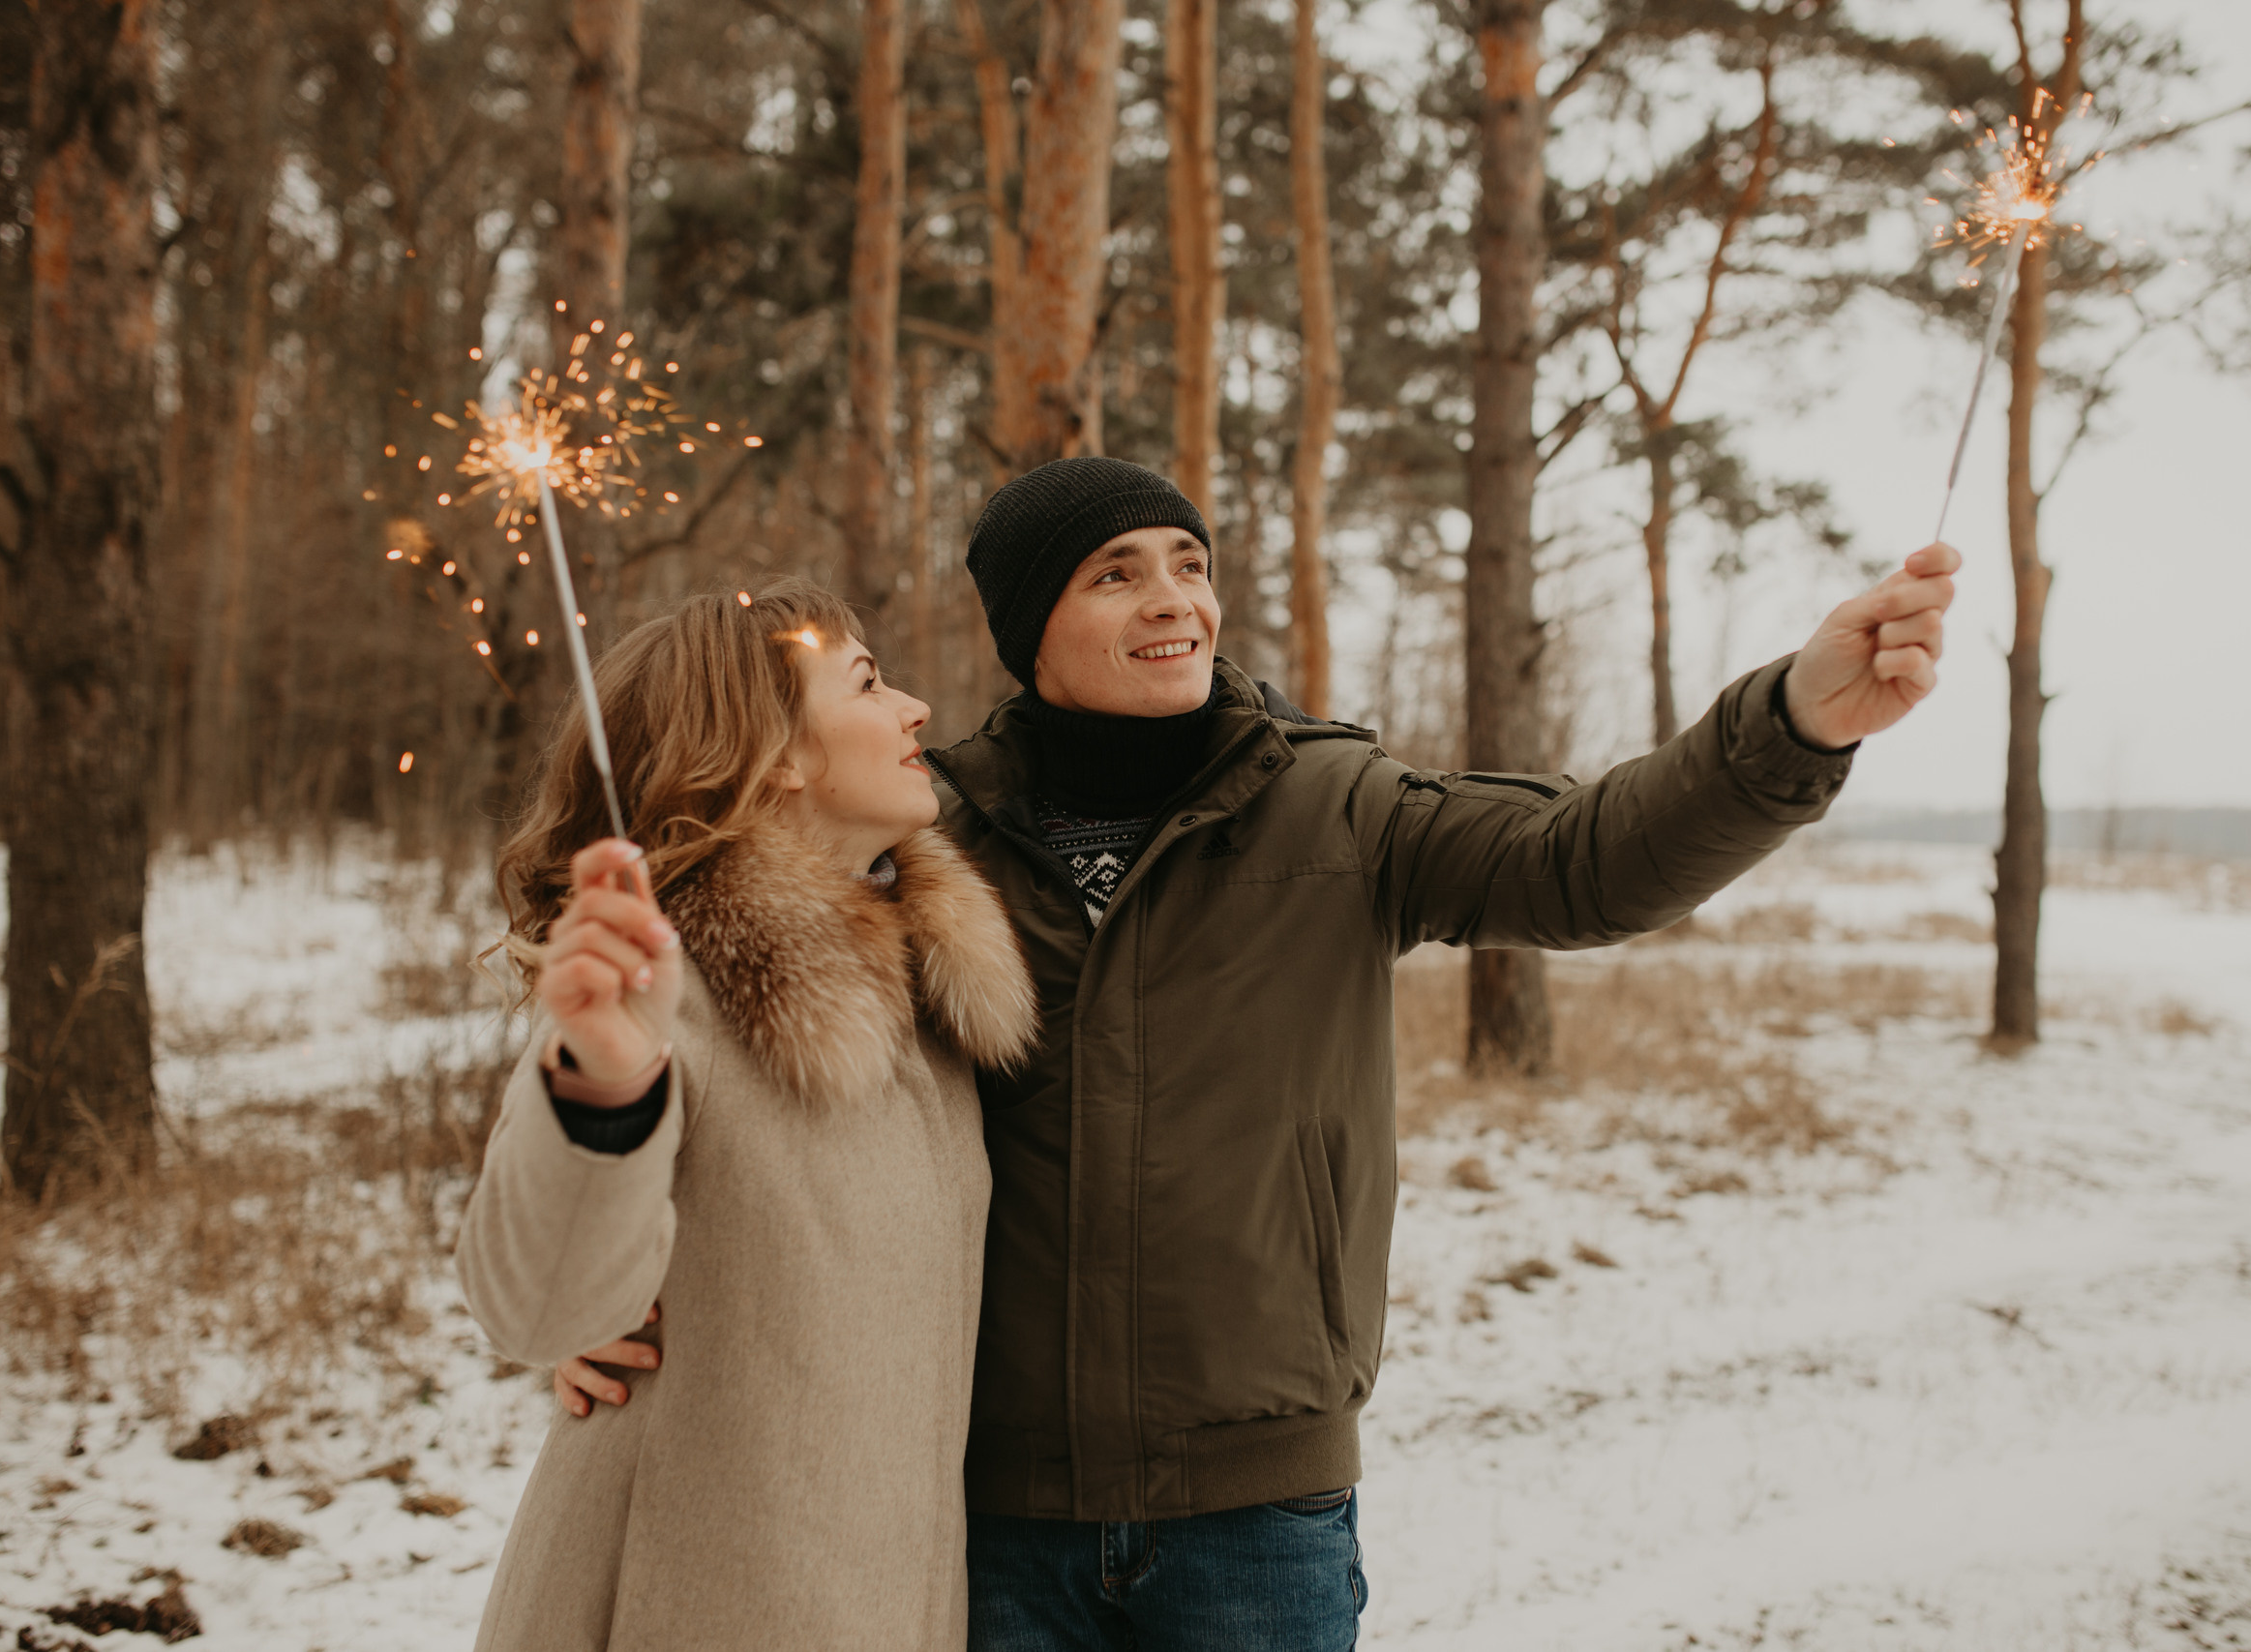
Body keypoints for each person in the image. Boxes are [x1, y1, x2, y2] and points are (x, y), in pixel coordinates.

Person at [555, 459, 1960, 1650]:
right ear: (1032, 621)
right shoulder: (928, 840)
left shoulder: (1335, 804)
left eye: (1190, 563)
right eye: (1116, 573)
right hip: (985, 1511)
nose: (1175, 598)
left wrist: (1792, 724)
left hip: (1256, 1512)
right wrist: (614, 1283)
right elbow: (745, 1042)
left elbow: (1581, 860)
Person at [457, 577, 1037, 1652]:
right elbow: (534, 1309)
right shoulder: (664, 988)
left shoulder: (923, 999)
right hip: (681, 1605)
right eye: (867, 684)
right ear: (777, 753)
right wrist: (605, 1086)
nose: (914, 709)